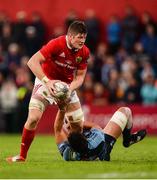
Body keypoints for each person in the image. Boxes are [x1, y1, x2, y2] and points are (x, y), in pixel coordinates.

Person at [6, 21, 90, 162]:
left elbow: (80, 77)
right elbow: (32, 62)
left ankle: (79, 154)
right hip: (46, 81)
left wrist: (69, 89)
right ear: (70, 36)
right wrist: (48, 81)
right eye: (79, 37)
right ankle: (22, 156)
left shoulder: (84, 52)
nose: (82, 41)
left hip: (67, 86)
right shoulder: (56, 44)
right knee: (33, 119)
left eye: (84, 37)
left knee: (77, 126)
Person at [55, 105, 146, 161]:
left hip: (90, 153)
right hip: (103, 144)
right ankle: (127, 140)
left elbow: (58, 129)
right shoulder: (96, 139)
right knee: (126, 111)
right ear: (83, 136)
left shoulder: (67, 153)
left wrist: (62, 108)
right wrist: (78, 124)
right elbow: (96, 126)